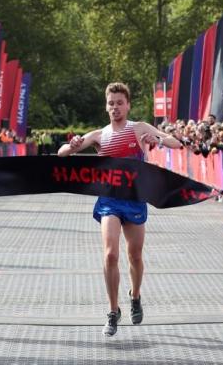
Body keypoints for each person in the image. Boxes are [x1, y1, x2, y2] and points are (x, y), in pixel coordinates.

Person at [56, 82, 182, 337]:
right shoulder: (99, 135)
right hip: (109, 201)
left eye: (119, 103)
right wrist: (73, 145)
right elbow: (61, 154)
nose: (115, 108)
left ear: (128, 105)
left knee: (134, 256)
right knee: (111, 254)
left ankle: (135, 296)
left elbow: (175, 143)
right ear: (106, 106)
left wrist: (156, 138)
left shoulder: (139, 128)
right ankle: (113, 312)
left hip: (135, 199)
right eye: (111, 103)